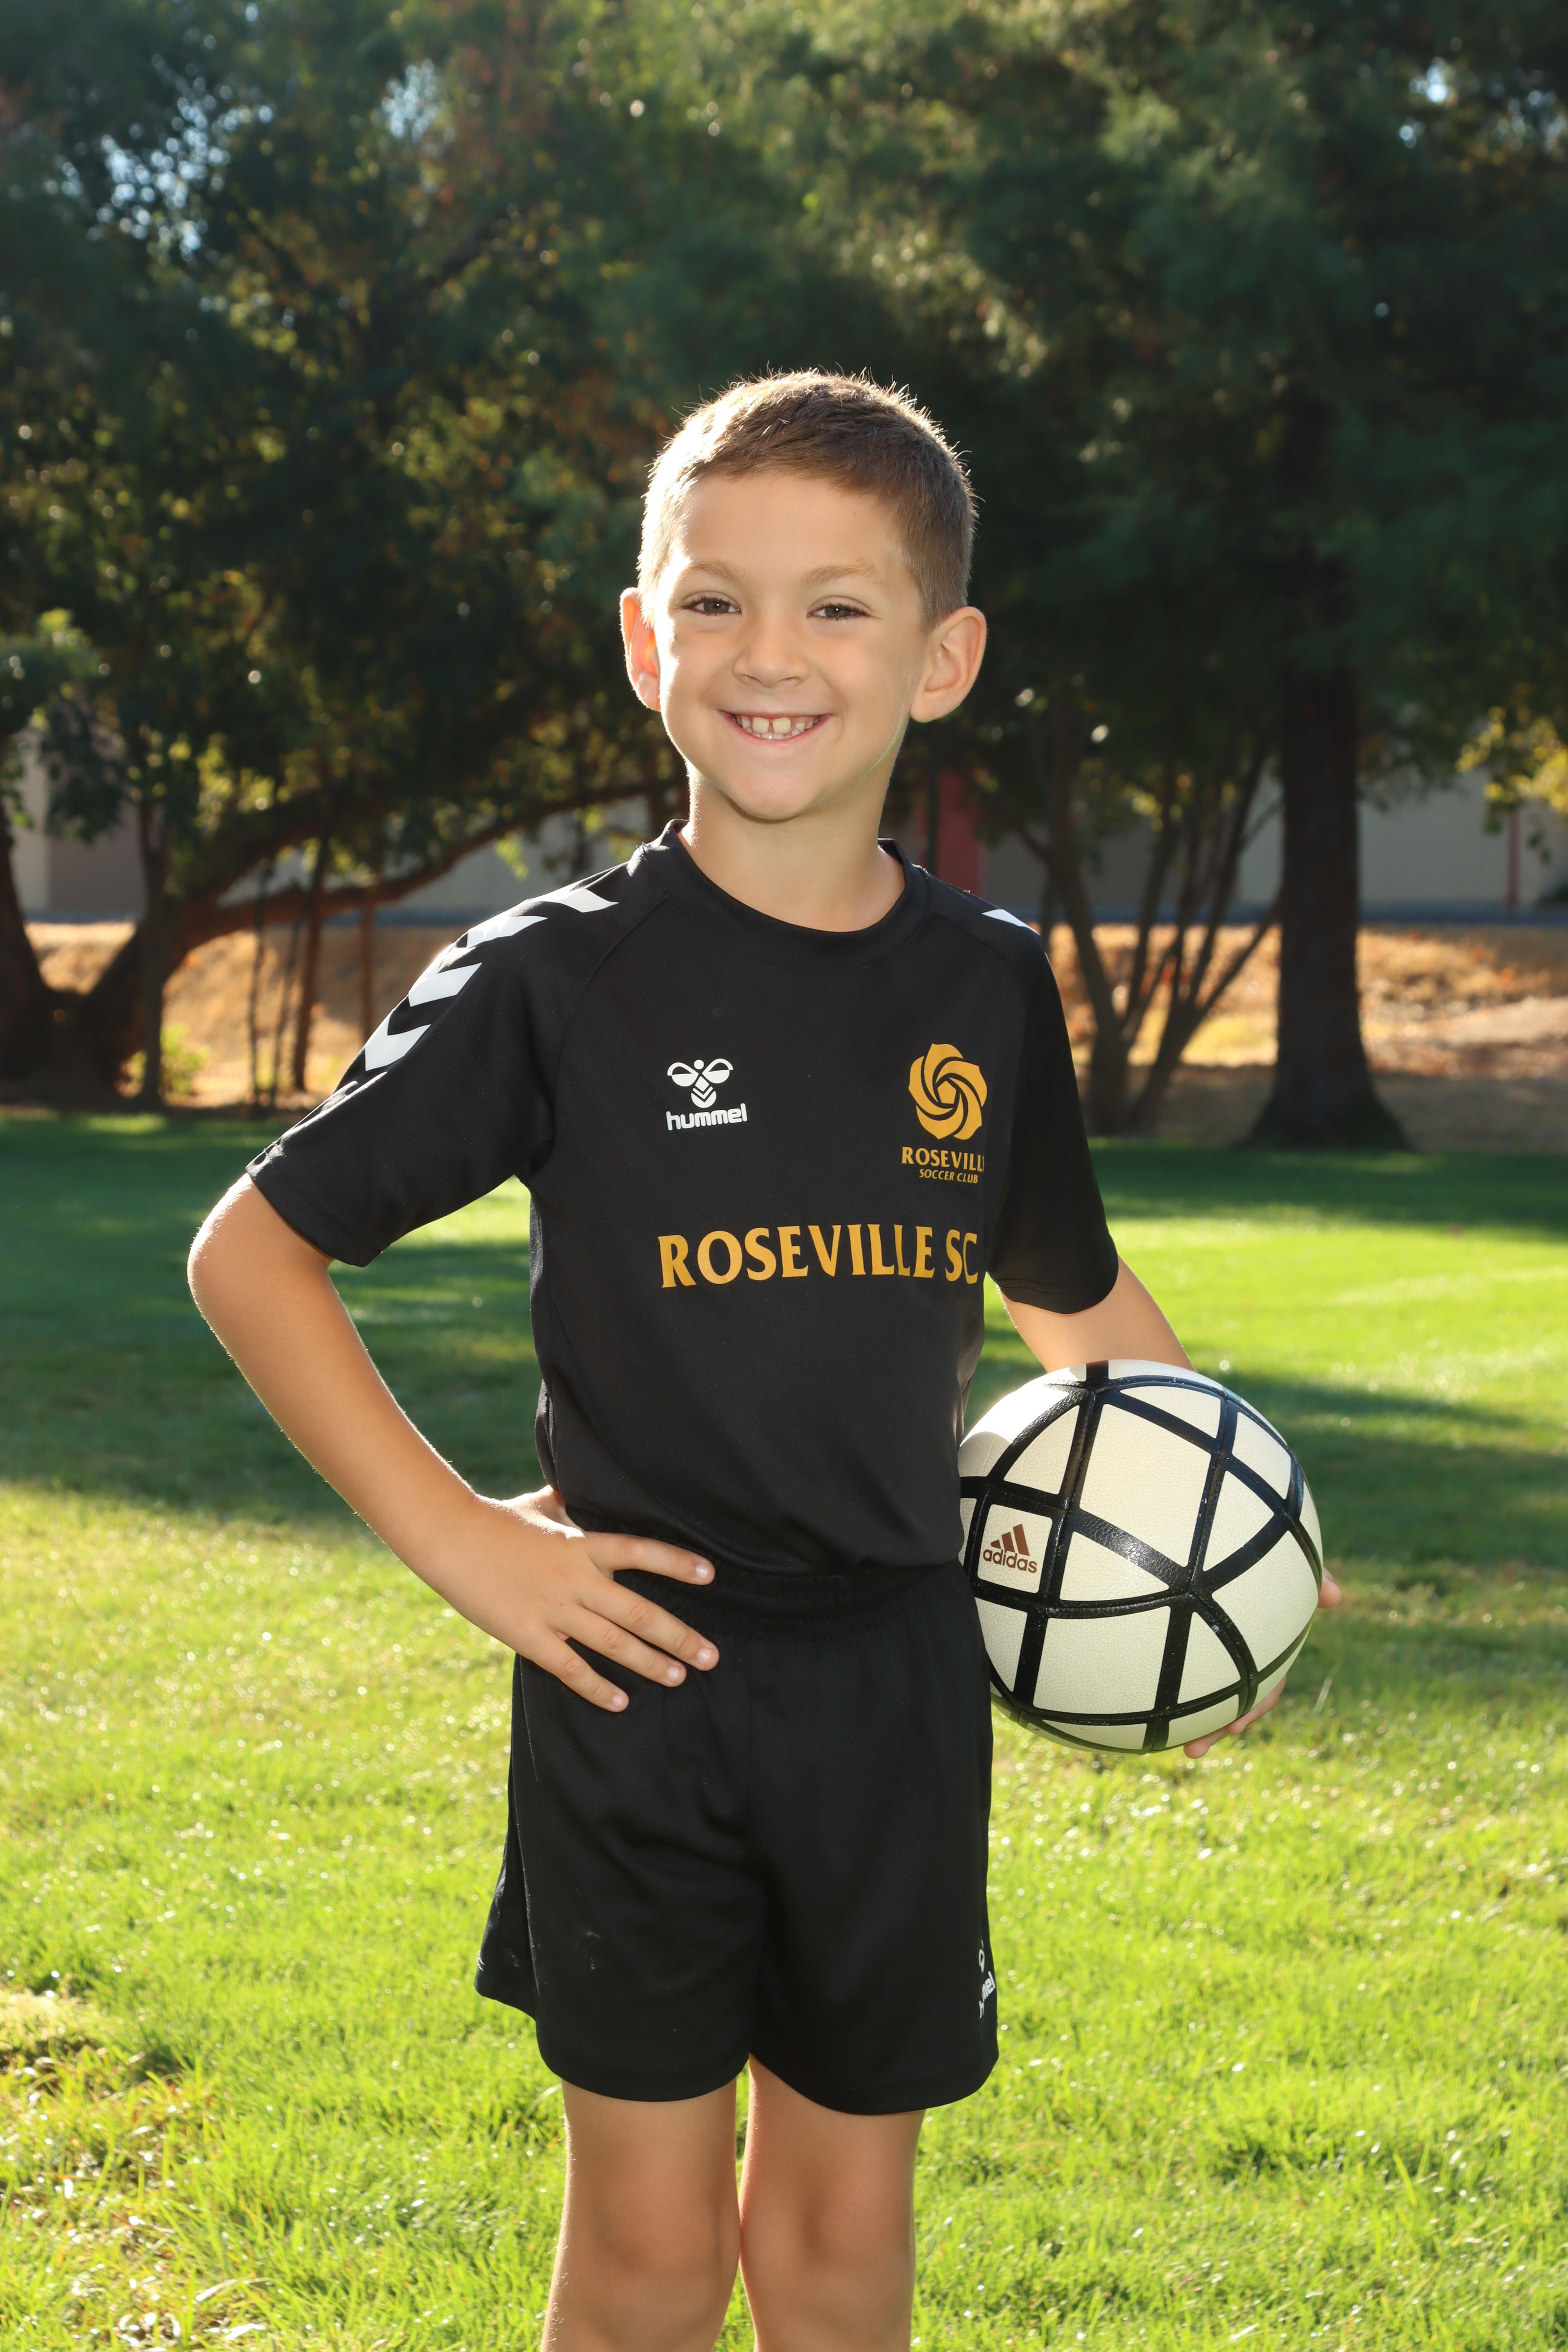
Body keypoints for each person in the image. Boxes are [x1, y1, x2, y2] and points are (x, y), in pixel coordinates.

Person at [188, 371, 1337, 2352]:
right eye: (715, 602)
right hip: (636, 1678)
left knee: (835, 2247)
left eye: (837, 605)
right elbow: (253, 1252)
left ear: (941, 658)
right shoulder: (554, 980)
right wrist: (471, 1547)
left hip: (898, 1684)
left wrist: (1224, 1592)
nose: (770, 654)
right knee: (648, 2259)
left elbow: (1077, 1315)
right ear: (647, 645)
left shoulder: (985, 983)